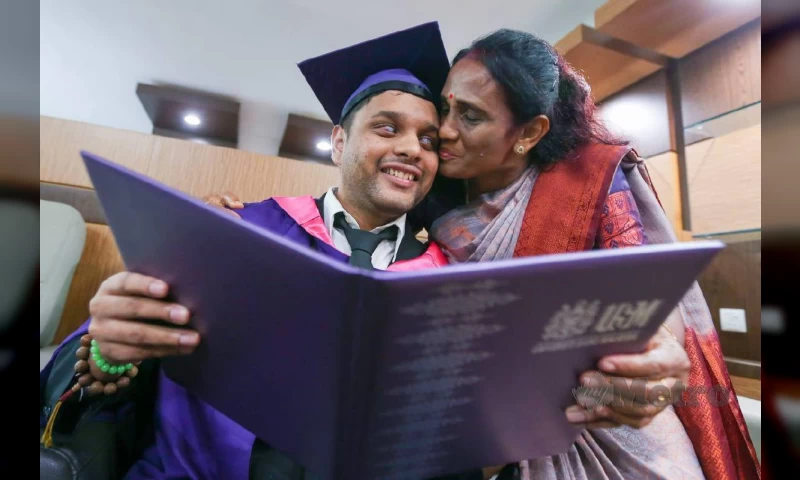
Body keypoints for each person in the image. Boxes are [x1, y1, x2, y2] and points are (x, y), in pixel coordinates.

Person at [210, 28, 760, 480]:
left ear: (528, 133)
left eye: (468, 117)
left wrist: (656, 368)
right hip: (479, 440)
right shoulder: (433, 192)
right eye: (443, 110)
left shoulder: (583, 186)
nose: (440, 136)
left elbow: (644, 308)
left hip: (595, 432)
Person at [40, 23, 502, 480]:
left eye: (427, 140)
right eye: (386, 128)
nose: (411, 149)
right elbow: (111, 358)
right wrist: (108, 353)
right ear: (339, 143)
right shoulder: (234, 230)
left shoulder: (448, 281)